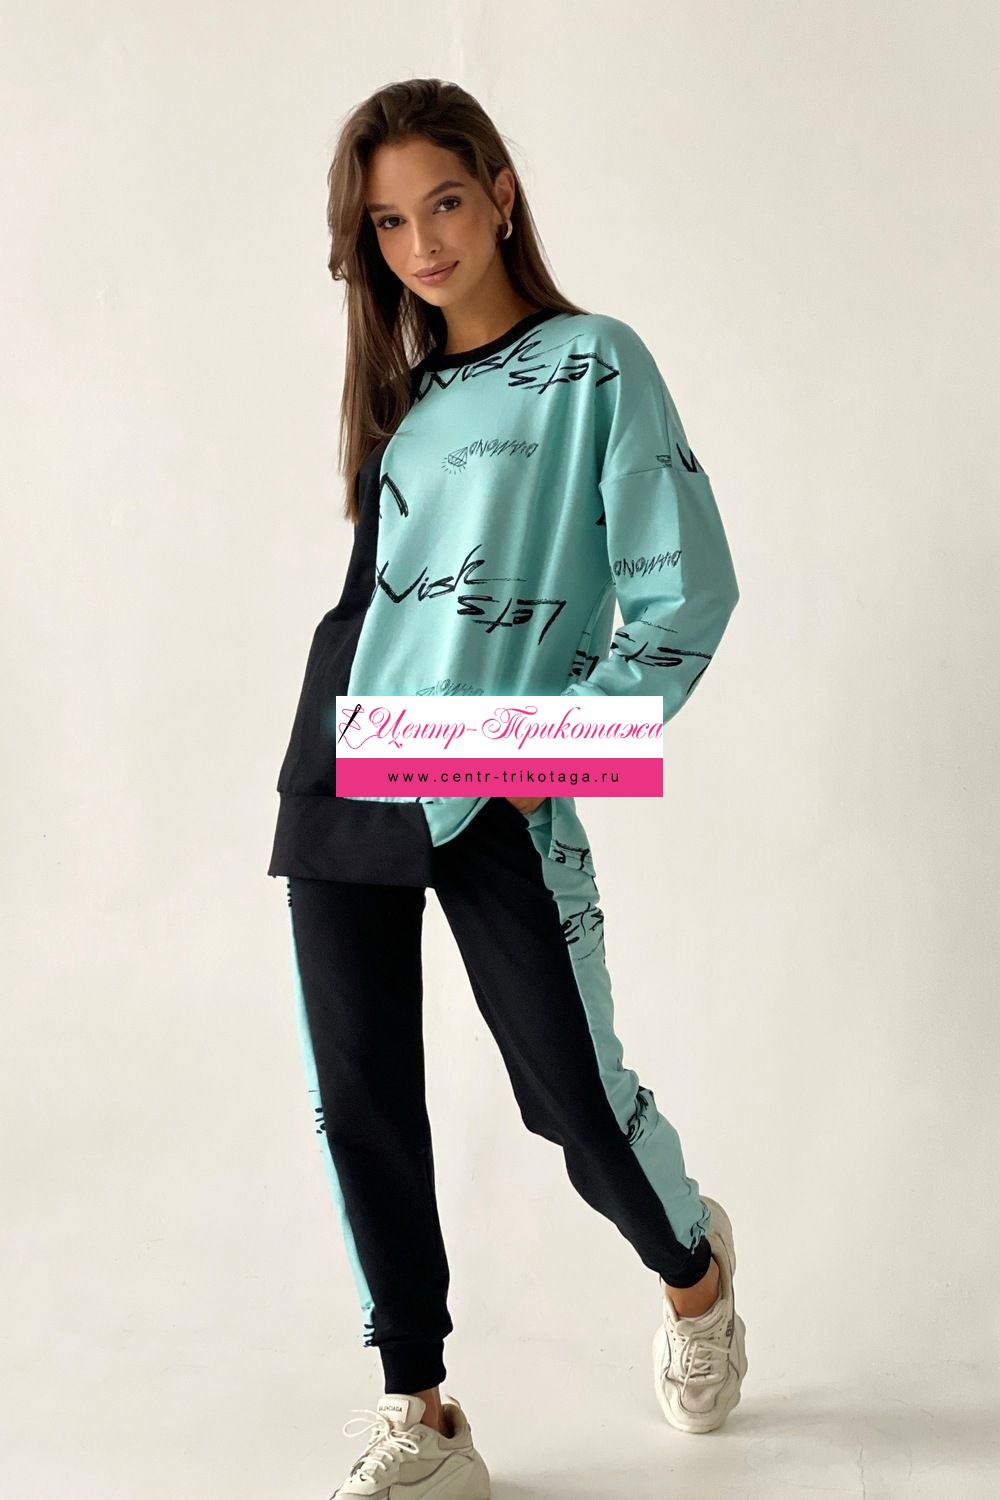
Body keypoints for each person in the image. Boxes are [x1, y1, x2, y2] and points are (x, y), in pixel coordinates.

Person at [267, 76, 746, 1497]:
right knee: (362, 1097)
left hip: (497, 779)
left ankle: (695, 1272)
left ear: (501, 195)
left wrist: (540, 754)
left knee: (573, 1100)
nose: (421, 244)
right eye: (388, 223)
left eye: (445, 204)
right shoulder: (401, 398)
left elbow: (685, 598)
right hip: (346, 758)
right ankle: (421, 1412)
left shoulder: (597, 363)